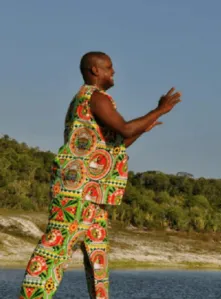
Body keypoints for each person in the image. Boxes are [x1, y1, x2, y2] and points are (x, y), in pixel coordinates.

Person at [18, 51, 181, 299]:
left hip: (94, 192)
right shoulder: (95, 97)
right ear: (95, 71)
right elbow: (124, 127)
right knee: (56, 248)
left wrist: (145, 127)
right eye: (109, 67)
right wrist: (159, 110)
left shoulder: (91, 101)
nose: (113, 72)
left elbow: (117, 143)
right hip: (77, 190)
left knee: (98, 256)